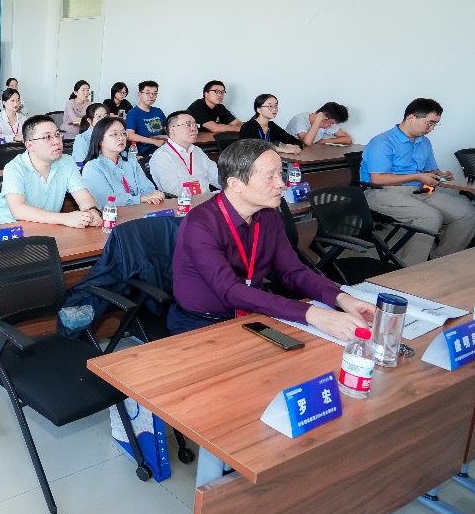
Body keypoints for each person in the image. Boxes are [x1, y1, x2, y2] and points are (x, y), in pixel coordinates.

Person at [170, 139, 376, 339]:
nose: (281, 184)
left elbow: (293, 271)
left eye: (280, 173)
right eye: (270, 177)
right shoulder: (200, 224)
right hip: (204, 323)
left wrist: (340, 298)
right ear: (235, 183)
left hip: (256, 311)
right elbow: (230, 291)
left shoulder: (268, 215)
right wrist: (311, 313)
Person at [360, 98, 475, 266]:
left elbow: (430, 170)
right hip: (380, 192)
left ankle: (439, 261)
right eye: (429, 123)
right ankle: (411, 268)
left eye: (435, 125)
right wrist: (417, 177)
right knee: (430, 217)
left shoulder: (424, 142)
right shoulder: (382, 142)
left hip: (419, 191)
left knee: (468, 213)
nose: (431, 129)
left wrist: (440, 174)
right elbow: (377, 179)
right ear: (411, 118)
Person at [0, 115, 103, 227]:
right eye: (47, 137)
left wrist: (92, 212)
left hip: (46, 228)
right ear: (30, 146)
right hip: (8, 231)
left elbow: (83, 197)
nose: (56, 141)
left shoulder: (67, 162)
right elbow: (18, 210)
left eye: (57, 135)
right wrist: (65, 218)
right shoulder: (14, 168)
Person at [81, 116, 165, 208]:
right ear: (100, 141)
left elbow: (147, 187)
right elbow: (108, 200)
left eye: (123, 133)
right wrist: (142, 199)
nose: (121, 138)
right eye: (114, 134)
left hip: (139, 210)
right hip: (111, 214)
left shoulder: (129, 158)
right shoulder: (92, 167)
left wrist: (152, 197)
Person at [148, 111, 221, 197]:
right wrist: (202, 190)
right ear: (172, 129)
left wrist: (231, 185)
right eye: (188, 125)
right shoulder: (162, 156)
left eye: (195, 125)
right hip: (182, 202)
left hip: (206, 199)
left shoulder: (197, 151)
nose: (194, 129)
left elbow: (215, 175)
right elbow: (172, 190)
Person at [125, 80, 168, 156]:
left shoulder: (158, 111)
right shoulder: (133, 113)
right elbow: (130, 135)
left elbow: (167, 129)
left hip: (164, 146)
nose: (151, 96)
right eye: (148, 93)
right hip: (147, 150)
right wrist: (154, 141)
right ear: (139, 94)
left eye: (154, 93)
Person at [286, 102, 353, 146]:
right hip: (290, 158)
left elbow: (348, 139)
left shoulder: (327, 123)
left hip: (308, 155)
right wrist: (318, 120)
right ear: (323, 115)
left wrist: (323, 141)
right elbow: (307, 142)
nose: (329, 126)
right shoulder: (299, 120)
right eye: (330, 123)